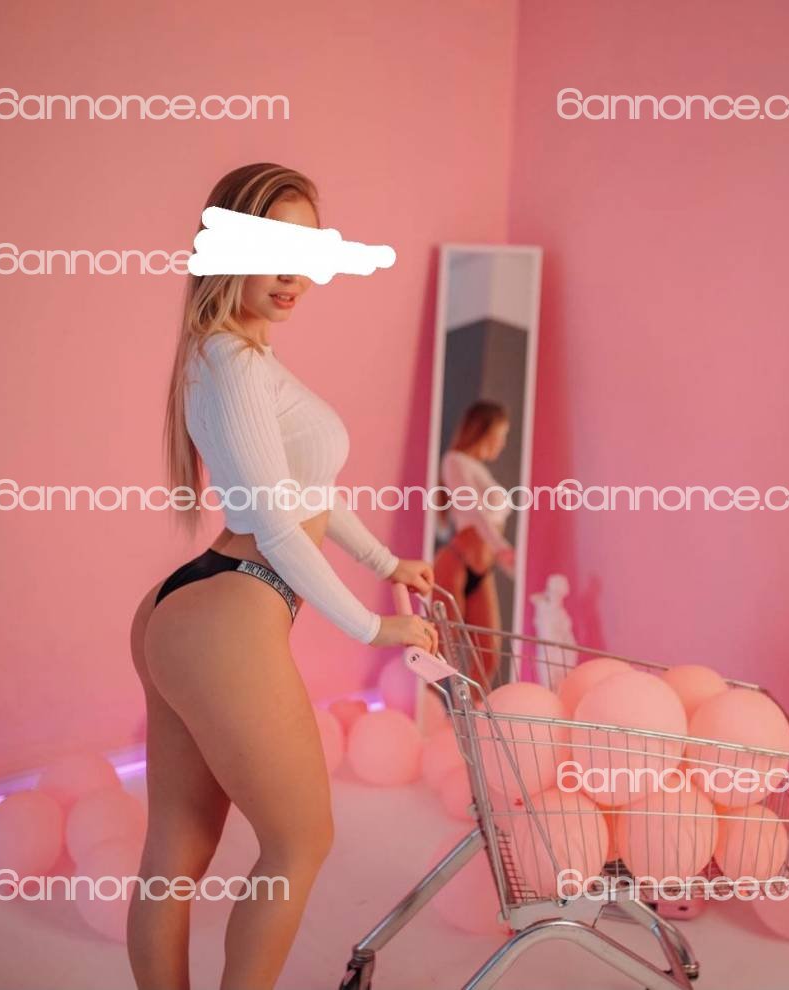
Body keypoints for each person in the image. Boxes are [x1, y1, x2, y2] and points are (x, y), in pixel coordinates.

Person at [126, 163, 436, 990]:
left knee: (177, 847)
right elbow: (275, 522)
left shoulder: (239, 357)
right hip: (231, 609)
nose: (294, 274)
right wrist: (372, 625)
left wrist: (386, 563)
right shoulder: (233, 363)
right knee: (301, 841)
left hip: (200, 606)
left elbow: (306, 495)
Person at [434, 400, 514, 684]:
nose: (502, 443)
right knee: (443, 652)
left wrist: (508, 561)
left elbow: (487, 522)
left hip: (482, 567)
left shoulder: (480, 470)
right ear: (484, 430)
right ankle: (429, 707)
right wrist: (502, 547)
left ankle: (473, 711)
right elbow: (474, 510)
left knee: (488, 656)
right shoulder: (454, 461)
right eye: (500, 435)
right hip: (457, 561)